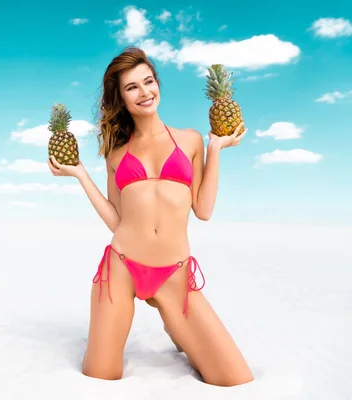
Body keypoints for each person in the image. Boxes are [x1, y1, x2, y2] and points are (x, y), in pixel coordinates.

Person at [47, 47, 254, 387]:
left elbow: (203, 210)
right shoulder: (117, 152)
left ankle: (173, 321)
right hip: (122, 265)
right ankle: (168, 323)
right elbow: (117, 220)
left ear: (158, 84)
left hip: (175, 273)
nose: (144, 92)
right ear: (121, 98)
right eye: (132, 87)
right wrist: (81, 174)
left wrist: (215, 148)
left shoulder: (190, 140)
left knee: (234, 378)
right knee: (101, 375)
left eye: (148, 81)